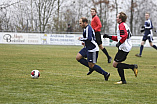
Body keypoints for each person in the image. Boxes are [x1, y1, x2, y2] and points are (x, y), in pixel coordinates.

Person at [103, 12, 138, 84]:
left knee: (115, 64)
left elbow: (124, 36)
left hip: (124, 47)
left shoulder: (121, 25)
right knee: (119, 64)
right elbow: (119, 37)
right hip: (126, 46)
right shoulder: (124, 25)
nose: (116, 18)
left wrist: (120, 43)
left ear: (120, 19)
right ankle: (123, 80)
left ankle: (133, 67)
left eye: (117, 17)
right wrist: (109, 37)